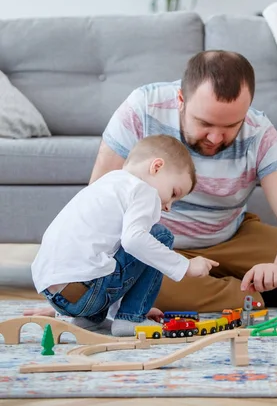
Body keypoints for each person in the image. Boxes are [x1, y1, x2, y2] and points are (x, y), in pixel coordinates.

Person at [26, 50, 277, 319]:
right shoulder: (142, 108)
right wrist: (76, 293)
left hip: (229, 234)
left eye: (230, 125)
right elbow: (97, 200)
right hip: (152, 243)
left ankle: (238, 284)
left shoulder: (259, 131)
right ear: (180, 99)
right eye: (205, 123)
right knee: (149, 282)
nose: (215, 137)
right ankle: (254, 293)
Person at [31, 135, 218, 336]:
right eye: (174, 193)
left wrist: (133, 302)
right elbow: (134, 241)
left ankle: (89, 320)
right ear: (156, 167)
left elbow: (112, 260)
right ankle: (130, 319)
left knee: (123, 247)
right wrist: (186, 266)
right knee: (159, 235)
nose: (168, 207)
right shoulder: (143, 190)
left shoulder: (107, 184)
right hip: (86, 293)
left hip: (56, 296)